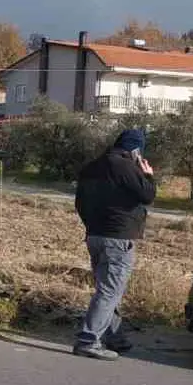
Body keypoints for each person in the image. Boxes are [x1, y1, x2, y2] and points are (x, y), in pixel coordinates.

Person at [72, 129, 156, 360]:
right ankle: (88, 340)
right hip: (118, 238)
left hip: (95, 236)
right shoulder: (125, 166)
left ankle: (114, 337)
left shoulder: (92, 167)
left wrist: (93, 225)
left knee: (108, 288)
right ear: (136, 150)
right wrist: (148, 175)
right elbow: (147, 195)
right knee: (110, 290)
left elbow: (79, 203)